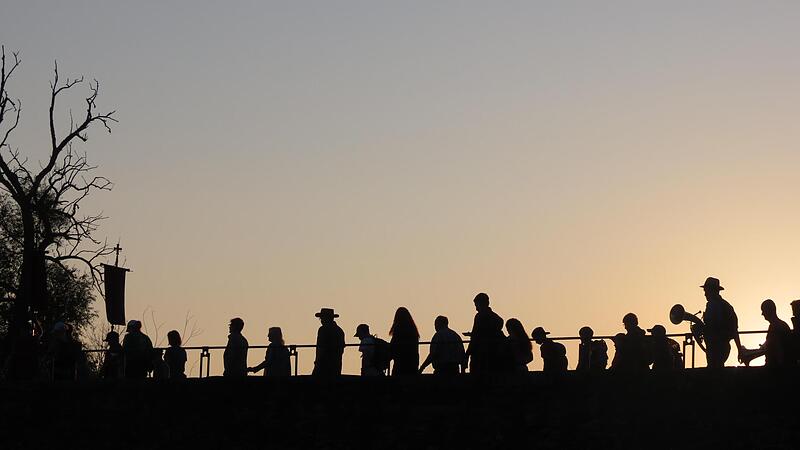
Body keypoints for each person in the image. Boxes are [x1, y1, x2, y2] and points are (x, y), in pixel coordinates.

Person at [700, 277, 743, 368]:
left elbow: (733, 329)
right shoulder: (722, 305)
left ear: (712, 291)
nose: (705, 294)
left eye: (706, 291)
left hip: (718, 347)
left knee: (714, 370)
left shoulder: (721, 306)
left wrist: (740, 349)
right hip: (715, 346)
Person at [466, 293, 508, 374]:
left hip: (480, 356)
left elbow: (476, 336)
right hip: (494, 356)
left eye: (476, 305)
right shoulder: (497, 319)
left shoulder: (479, 316)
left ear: (481, 304)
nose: (476, 309)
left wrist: (467, 353)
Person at [758, 299, 792, 367]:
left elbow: (778, 348)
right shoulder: (779, 325)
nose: (762, 314)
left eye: (763, 310)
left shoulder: (776, 326)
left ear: (769, 310)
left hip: (777, 367)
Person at [312, 308, 345, 377]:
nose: (321, 320)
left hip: (323, 364)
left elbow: (320, 348)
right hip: (336, 364)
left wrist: (317, 362)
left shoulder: (323, 329)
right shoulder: (339, 331)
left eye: (322, 318)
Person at [389, 307, 420, 376]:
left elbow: (393, 347)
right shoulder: (413, 331)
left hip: (400, 364)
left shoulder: (398, 330)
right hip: (412, 364)